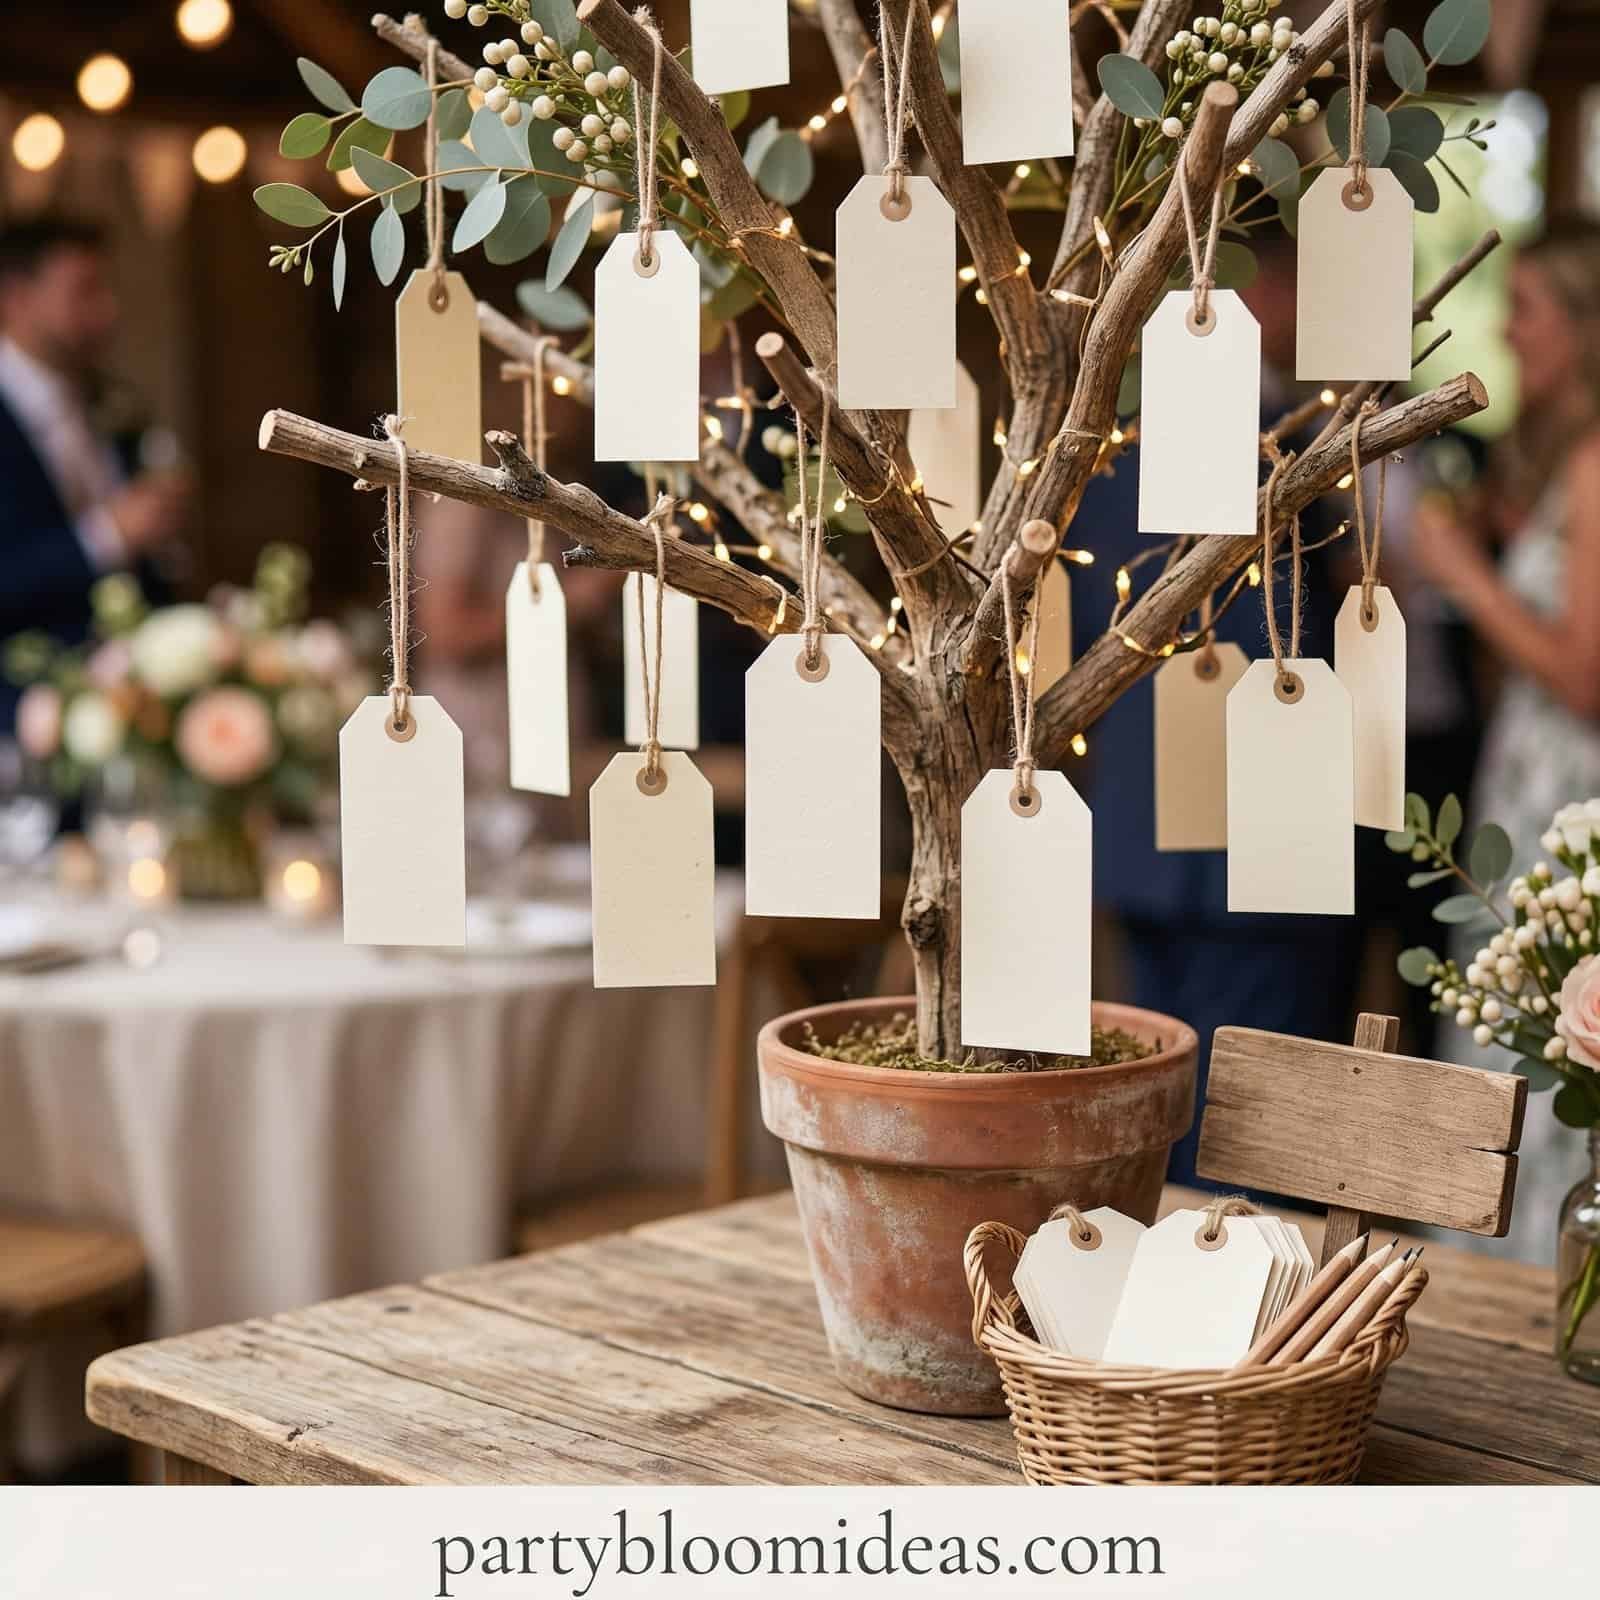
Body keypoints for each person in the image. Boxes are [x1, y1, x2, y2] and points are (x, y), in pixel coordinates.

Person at [1409, 218, 1600, 1262]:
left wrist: (1463, 573)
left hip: (1564, 799)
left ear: (1579, 325)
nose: (1510, 330)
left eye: (1525, 308)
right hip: (1526, 782)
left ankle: (1529, 1279)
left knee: (1536, 1034)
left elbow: (1582, 673)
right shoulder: (1563, 456)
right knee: (1513, 1026)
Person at [0, 217, 186, 733]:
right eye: (84, 291)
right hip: (19, 722)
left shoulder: (110, 401)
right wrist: (107, 534)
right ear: (16, 297)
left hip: (128, 712)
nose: (107, 312)